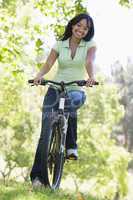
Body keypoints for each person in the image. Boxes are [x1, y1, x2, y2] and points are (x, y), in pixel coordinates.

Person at [30, 13, 97, 187]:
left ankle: (70, 145)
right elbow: (48, 64)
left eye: (86, 28)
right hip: (55, 88)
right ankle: (38, 179)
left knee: (71, 102)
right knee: (45, 132)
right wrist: (39, 76)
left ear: (88, 31)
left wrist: (91, 77)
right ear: (72, 25)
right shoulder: (60, 44)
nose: (81, 29)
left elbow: (90, 61)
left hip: (75, 89)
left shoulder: (90, 45)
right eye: (79, 25)